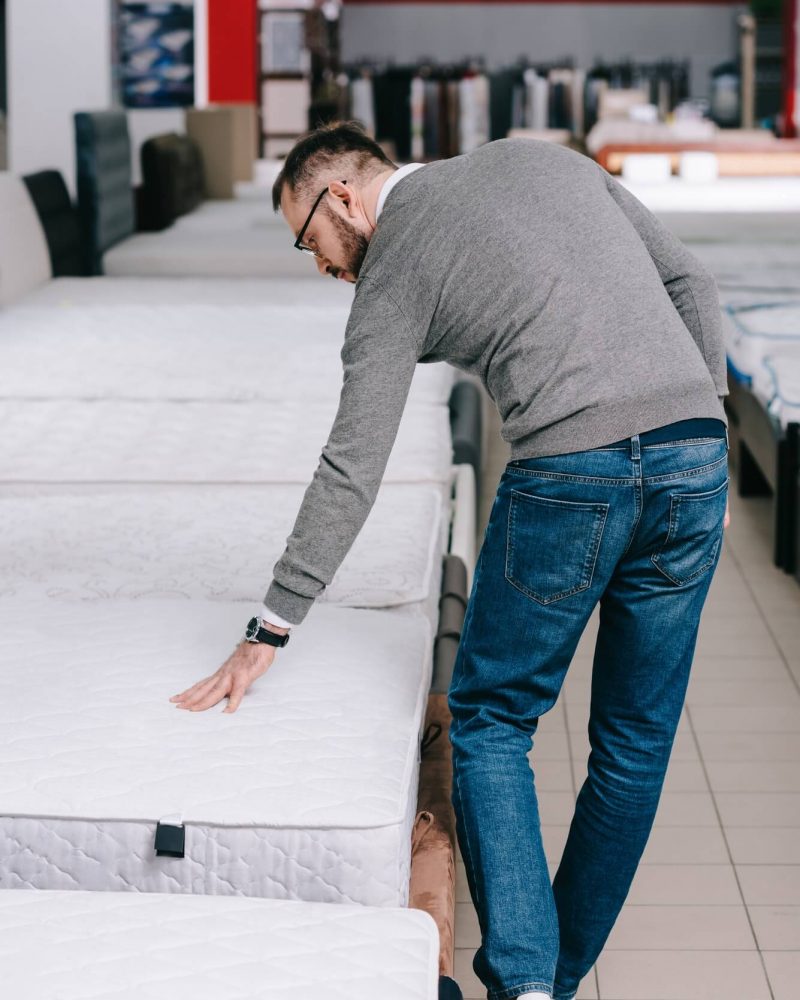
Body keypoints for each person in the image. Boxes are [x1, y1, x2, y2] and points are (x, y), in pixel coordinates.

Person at [170, 122, 730, 1000]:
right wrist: (703, 427)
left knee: (490, 721)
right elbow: (689, 278)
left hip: (571, 471)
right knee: (635, 746)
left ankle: (526, 982)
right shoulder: (540, 156)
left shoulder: (394, 264)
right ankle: (550, 977)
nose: (319, 265)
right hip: (697, 460)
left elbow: (352, 464)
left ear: (343, 196)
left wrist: (269, 625)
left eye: (307, 239)